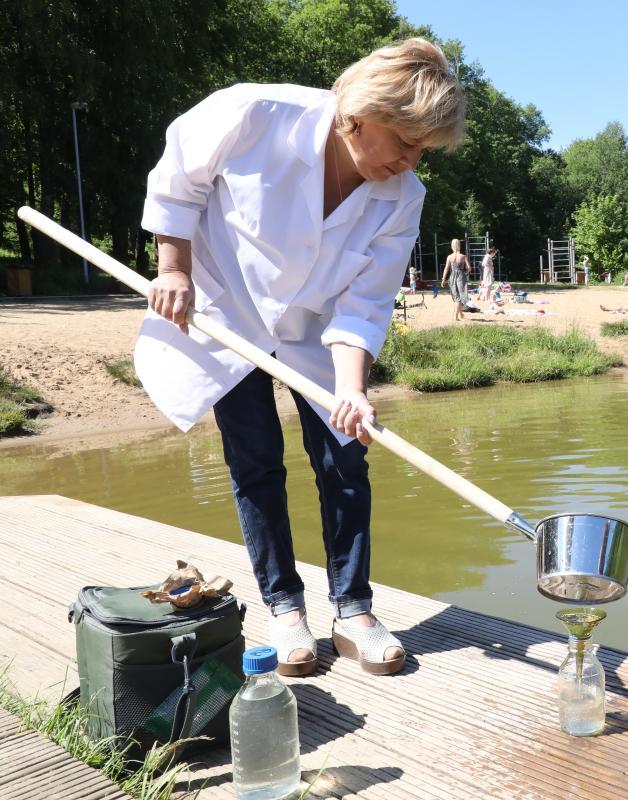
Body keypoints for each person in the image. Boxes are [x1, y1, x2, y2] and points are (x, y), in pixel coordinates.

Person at [138, 39, 466, 677]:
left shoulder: (402, 198)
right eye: (406, 141)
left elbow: (365, 304)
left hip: (316, 332)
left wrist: (352, 390)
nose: (411, 160)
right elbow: (178, 179)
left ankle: (354, 611)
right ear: (361, 115)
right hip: (224, 308)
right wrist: (173, 267)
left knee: (346, 457)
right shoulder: (253, 113)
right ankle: (286, 609)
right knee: (255, 461)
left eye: (423, 150)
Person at [441, 238, 471, 321]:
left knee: (456, 296)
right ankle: (456, 316)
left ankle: (461, 314)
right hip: (460, 277)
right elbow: (469, 268)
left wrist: (443, 279)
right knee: (460, 297)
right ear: (459, 246)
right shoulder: (463, 256)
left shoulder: (449, 257)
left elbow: (446, 269)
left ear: (452, 246)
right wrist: (465, 272)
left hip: (452, 277)